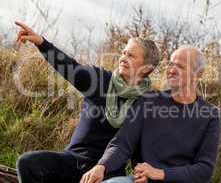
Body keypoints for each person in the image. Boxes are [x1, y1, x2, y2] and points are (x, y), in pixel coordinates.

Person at [14, 21, 160, 183]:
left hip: (107, 173)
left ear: (147, 67)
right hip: (73, 161)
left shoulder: (147, 103)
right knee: (27, 162)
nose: (123, 58)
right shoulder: (99, 80)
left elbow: (140, 148)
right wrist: (42, 43)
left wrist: (141, 174)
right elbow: (70, 67)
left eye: (131, 55)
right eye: (124, 52)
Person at [81, 46, 221, 183]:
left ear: (199, 74)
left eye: (180, 66)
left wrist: (160, 174)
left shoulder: (210, 115)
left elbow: (204, 169)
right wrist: (102, 166)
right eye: (170, 64)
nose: (172, 70)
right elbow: (122, 143)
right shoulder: (148, 100)